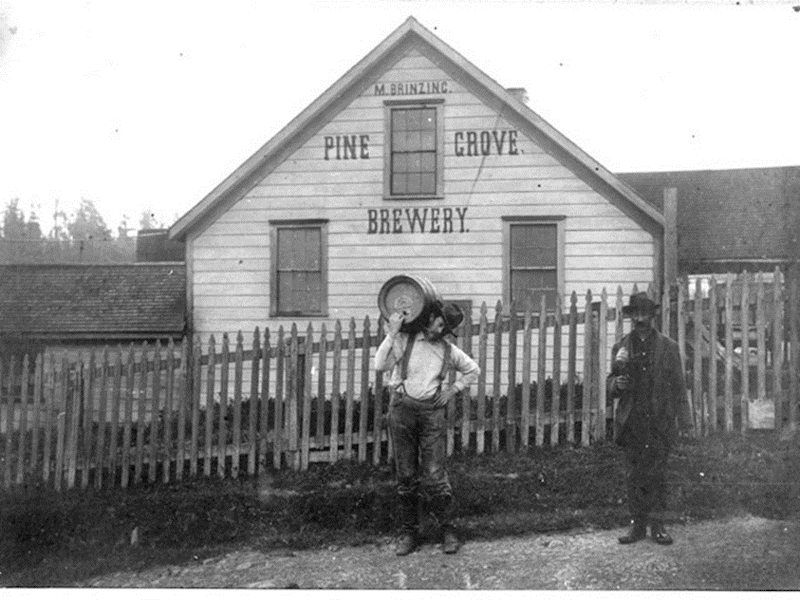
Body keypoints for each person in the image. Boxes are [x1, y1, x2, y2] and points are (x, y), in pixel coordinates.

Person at [375, 301, 480, 556]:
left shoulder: (447, 350)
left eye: (446, 328)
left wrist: (452, 390)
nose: (440, 330)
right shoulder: (405, 340)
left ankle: (448, 531)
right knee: (407, 476)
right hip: (402, 411)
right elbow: (380, 365)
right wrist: (392, 332)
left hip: (432, 414)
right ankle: (409, 533)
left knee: (435, 476)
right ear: (431, 317)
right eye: (440, 323)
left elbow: (473, 370)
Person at [607, 291, 692, 545]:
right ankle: (637, 527)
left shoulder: (669, 347)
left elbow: (679, 386)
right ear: (631, 317)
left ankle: (658, 527)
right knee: (634, 475)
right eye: (636, 314)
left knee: (657, 474)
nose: (640, 319)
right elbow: (610, 383)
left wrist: (685, 421)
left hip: (659, 420)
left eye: (645, 313)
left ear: (653, 316)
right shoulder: (621, 347)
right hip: (632, 420)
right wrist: (617, 384)